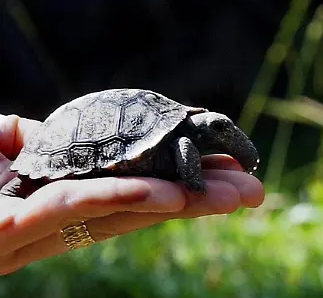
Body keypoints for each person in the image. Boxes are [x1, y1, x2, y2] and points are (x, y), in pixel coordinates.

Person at [0, 113, 265, 274]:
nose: (222, 132)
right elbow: (183, 144)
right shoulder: (183, 140)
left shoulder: (184, 131)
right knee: (31, 180)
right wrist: (194, 181)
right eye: (217, 127)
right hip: (64, 141)